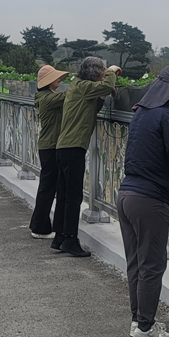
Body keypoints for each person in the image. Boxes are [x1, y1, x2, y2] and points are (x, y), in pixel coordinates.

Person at [116, 66, 169, 337]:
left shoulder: (141, 113)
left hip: (126, 194)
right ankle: (146, 330)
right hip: (150, 200)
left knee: (136, 263)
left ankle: (138, 321)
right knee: (152, 265)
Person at [53, 56, 122, 257]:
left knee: (64, 195)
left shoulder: (77, 86)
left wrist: (103, 93)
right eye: (102, 72)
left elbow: (92, 105)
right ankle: (70, 239)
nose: (103, 75)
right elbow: (105, 86)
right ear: (96, 73)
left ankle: (60, 237)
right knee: (73, 197)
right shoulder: (84, 87)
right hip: (73, 147)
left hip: (64, 147)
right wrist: (112, 72)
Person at [30, 65, 68, 237]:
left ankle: (38, 224)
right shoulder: (48, 99)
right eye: (56, 78)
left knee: (48, 186)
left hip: (48, 146)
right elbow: (70, 95)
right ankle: (40, 228)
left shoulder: (44, 97)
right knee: (47, 187)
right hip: (50, 146)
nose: (59, 80)